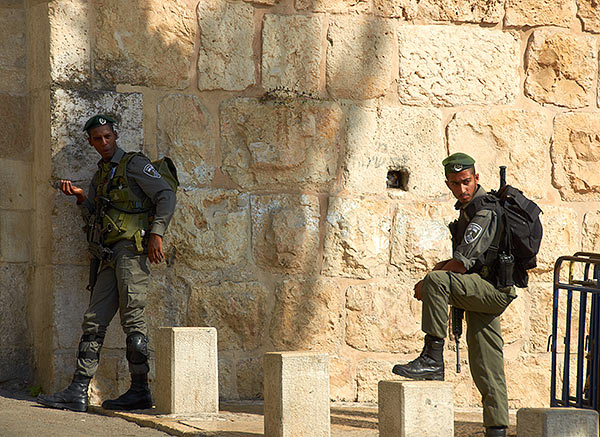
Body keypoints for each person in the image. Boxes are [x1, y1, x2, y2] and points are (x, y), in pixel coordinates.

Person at [37, 114, 176, 412]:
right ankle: (78, 391)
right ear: (90, 142)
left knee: (134, 322)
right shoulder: (101, 175)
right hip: (108, 257)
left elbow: (165, 194)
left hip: (131, 253)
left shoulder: (135, 164)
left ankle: (140, 391)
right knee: (93, 321)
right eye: (98, 139)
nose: (104, 143)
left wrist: (157, 234)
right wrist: (82, 198)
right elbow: (99, 217)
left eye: (108, 137)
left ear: (115, 135)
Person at [392, 153, 515, 437]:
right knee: (487, 361)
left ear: (477, 178)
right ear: (448, 184)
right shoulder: (468, 209)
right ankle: (497, 428)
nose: (462, 189)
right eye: (456, 184)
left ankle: (433, 358)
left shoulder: (484, 210)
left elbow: (460, 264)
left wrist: (429, 280)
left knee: (436, 281)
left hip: (492, 290)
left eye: (466, 182)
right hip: (485, 288)